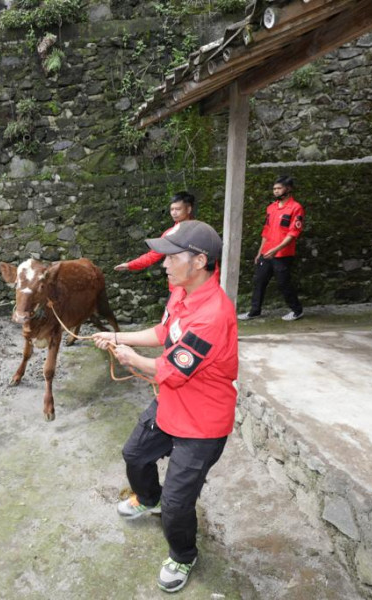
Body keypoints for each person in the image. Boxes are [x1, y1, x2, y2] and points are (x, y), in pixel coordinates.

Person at [93, 221, 238, 594]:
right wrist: (116, 335)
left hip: (203, 425)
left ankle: (183, 554)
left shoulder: (213, 315)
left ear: (200, 261)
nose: (164, 264)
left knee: (178, 506)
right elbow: (163, 335)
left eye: (172, 257)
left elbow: (166, 370)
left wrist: (130, 358)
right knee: (135, 455)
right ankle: (148, 499)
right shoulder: (181, 292)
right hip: (170, 405)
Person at [238, 175, 305, 322]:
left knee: (283, 283)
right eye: (274, 188)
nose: (275, 191)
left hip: (283, 254)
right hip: (266, 252)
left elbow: (293, 234)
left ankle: (297, 310)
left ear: (288, 189)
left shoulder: (296, 208)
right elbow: (266, 231)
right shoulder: (271, 208)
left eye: (279, 188)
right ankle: (254, 311)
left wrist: (276, 250)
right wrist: (260, 252)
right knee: (259, 280)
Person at [114, 192, 196, 273]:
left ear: (188, 209)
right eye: (172, 209)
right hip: (177, 279)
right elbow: (153, 255)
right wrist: (130, 265)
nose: (174, 213)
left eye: (178, 209)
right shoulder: (170, 233)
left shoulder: (200, 231)